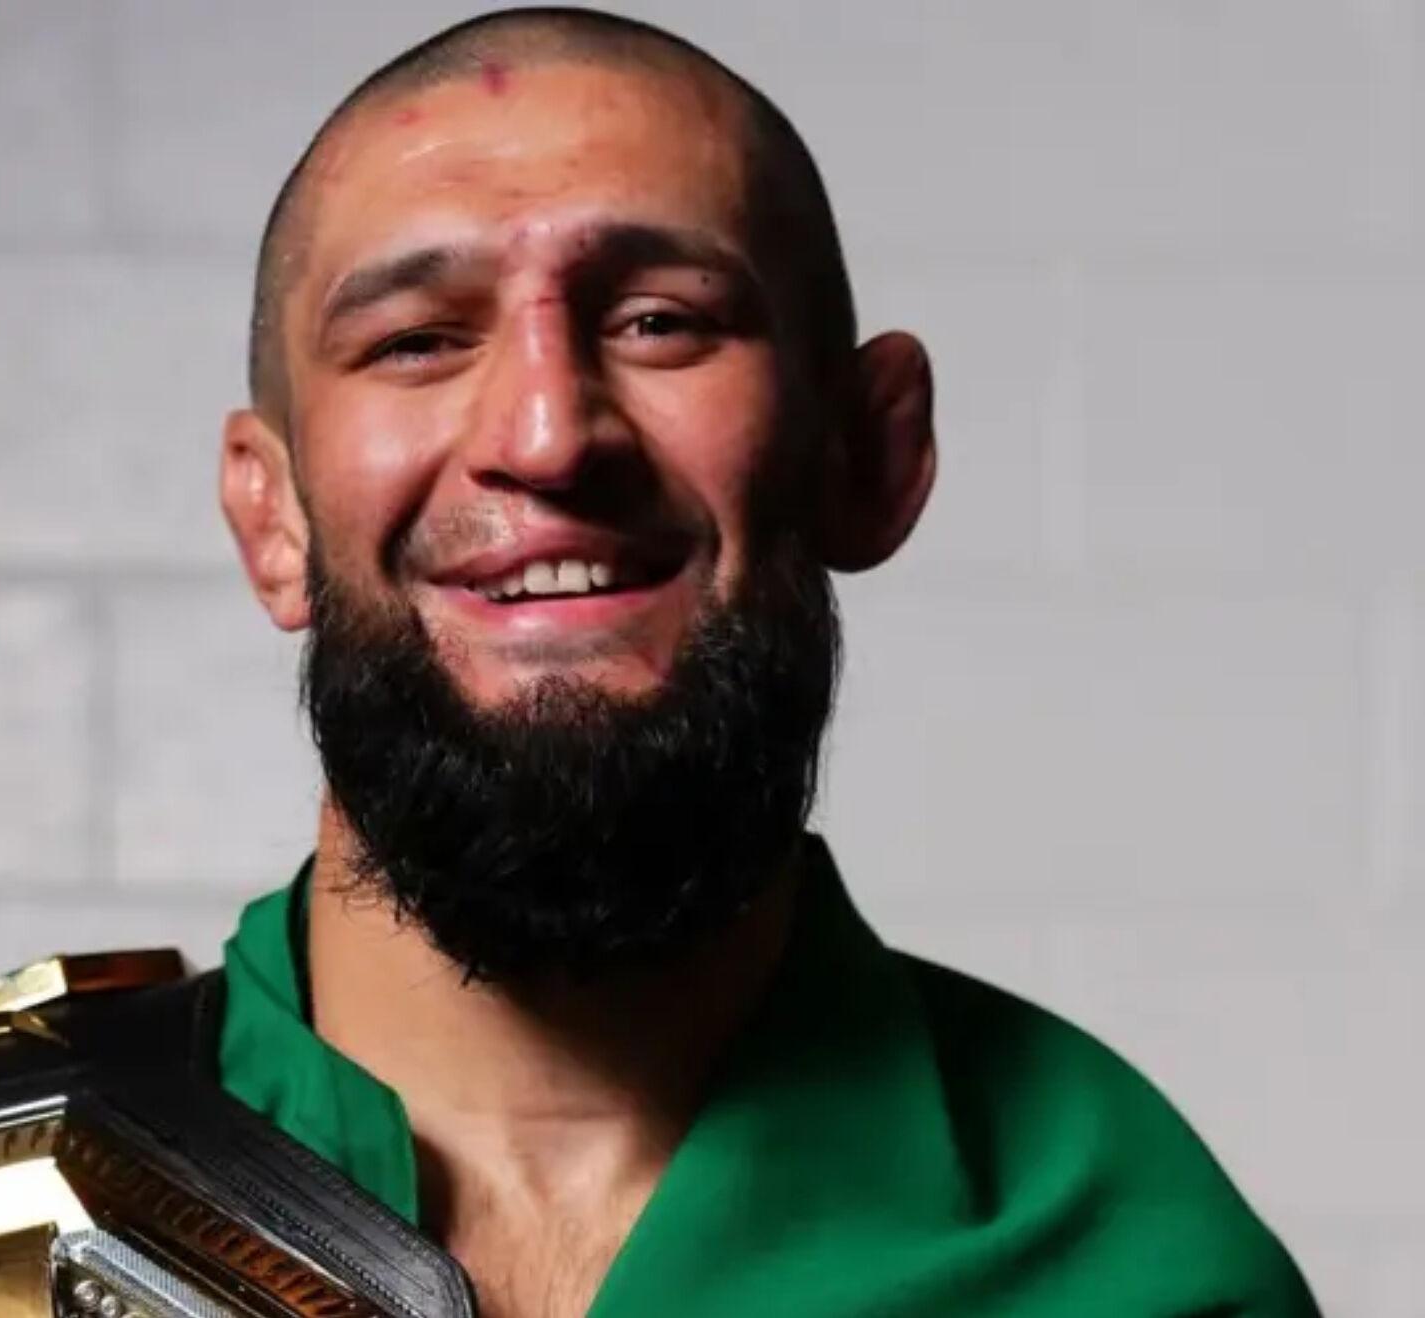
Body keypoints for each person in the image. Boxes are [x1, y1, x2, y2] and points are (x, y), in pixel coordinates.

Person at [210, 7, 1319, 1317]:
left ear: (869, 455)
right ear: (270, 517)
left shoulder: (1135, 1270)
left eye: (658, 321)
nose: (547, 431)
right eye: (416, 338)